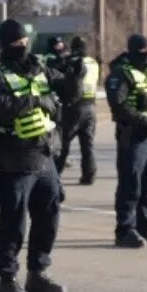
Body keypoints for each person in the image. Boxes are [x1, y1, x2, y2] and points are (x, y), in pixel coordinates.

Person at [0, 19, 68, 292]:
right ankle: (7, 281)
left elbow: (62, 94)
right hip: (15, 159)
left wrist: (72, 80)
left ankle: (38, 272)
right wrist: (33, 100)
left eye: (24, 41)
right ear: (6, 45)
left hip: (45, 155)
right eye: (16, 42)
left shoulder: (40, 69)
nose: (22, 46)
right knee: (13, 223)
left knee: (49, 217)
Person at [107, 34, 147, 248]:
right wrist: (144, 123)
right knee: (130, 183)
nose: (146, 54)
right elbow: (119, 106)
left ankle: (145, 223)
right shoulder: (120, 74)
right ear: (132, 51)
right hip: (132, 136)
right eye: (142, 51)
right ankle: (124, 229)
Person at [50, 36, 100, 185]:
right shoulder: (93, 62)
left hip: (75, 106)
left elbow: (62, 76)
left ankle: (55, 174)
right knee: (88, 144)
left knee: (63, 142)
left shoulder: (74, 62)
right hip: (91, 106)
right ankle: (89, 175)